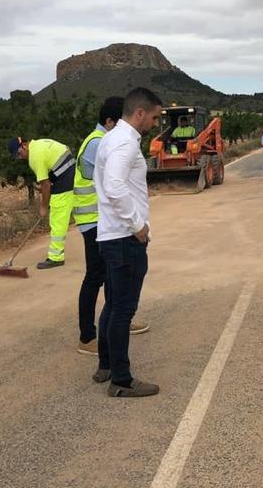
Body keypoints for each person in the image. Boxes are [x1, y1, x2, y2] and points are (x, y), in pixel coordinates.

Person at [93, 87, 163, 398]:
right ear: (140, 114)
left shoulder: (112, 138)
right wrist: (138, 227)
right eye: (154, 117)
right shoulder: (124, 143)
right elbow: (115, 186)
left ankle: (106, 364)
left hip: (111, 235)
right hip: (124, 238)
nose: (155, 123)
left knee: (112, 305)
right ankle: (121, 380)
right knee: (123, 309)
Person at [73, 96, 150, 357]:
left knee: (111, 286)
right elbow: (113, 185)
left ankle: (114, 332)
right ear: (111, 121)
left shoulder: (102, 140)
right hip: (99, 221)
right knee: (97, 279)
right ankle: (89, 336)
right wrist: (137, 224)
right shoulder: (105, 142)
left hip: (103, 220)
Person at [8, 136, 75, 269]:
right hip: (71, 173)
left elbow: (45, 185)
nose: (20, 157)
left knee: (57, 218)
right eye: (16, 156)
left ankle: (56, 257)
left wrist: (43, 207)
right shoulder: (40, 143)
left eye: (19, 154)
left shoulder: (35, 157)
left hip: (65, 181)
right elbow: (63, 151)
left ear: (24, 146)